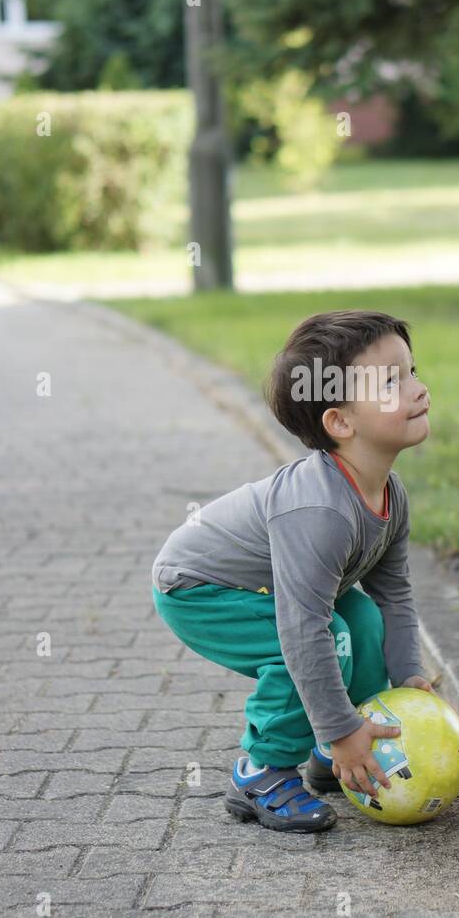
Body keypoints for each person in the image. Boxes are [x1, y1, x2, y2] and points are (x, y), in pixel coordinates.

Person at [150, 308, 435, 833]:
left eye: (412, 371)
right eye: (392, 382)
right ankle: (260, 771)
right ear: (340, 422)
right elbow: (303, 629)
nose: (417, 388)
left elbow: (393, 596)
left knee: (363, 623)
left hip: (272, 581)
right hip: (199, 586)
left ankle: (343, 748)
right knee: (313, 643)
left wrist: (409, 677)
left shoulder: (391, 495)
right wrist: (337, 723)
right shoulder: (321, 512)